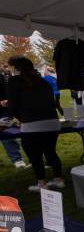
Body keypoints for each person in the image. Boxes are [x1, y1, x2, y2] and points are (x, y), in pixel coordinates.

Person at [6, 56, 63, 192]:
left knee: (35, 156)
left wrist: (19, 118)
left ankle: (42, 184)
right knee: (50, 152)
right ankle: (59, 180)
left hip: (31, 124)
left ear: (16, 68)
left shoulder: (14, 81)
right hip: (52, 122)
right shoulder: (43, 82)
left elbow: (12, 105)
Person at [0, 69, 28, 168]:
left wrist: (7, 101)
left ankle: (18, 159)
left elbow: (8, 94)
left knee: (7, 133)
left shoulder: (2, 77)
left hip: (3, 110)